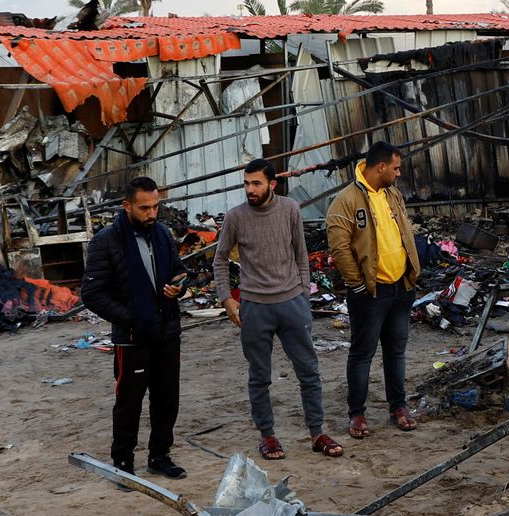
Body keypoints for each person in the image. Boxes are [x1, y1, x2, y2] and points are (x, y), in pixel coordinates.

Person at [215, 158, 343, 461]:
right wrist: (226, 298)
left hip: (292, 305)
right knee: (259, 377)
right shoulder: (236, 217)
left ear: (272, 184)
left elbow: (301, 254)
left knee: (309, 372)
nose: (249, 189)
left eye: (256, 183)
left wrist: (302, 294)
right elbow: (220, 259)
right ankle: (268, 436)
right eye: (246, 183)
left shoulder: (289, 209)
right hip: (255, 308)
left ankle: (316, 432)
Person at [80, 176, 189, 480]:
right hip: (131, 337)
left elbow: (179, 273)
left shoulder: (163, 234)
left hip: (167, 332)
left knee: (167, 398)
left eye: (156, 207)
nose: (152, 214)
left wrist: (178, 288)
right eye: (144, 208)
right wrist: (131, 317)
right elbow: (91, 293)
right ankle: (123, 461)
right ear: (126, 206)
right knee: (129, 402)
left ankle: (160, 456)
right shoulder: (107, 241)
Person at [326, 141, 422, 439]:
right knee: (362, 353)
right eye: (395, 167)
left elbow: (403, 232)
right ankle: (356, 414)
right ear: (380, 167)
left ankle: (398, 407)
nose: (398, 172)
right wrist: (357, 284)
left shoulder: (393, 194)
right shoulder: (346, 200)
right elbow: (339, 247)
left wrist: (410, 274)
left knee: (396, 351)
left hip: (400, 288)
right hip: (369, 293)